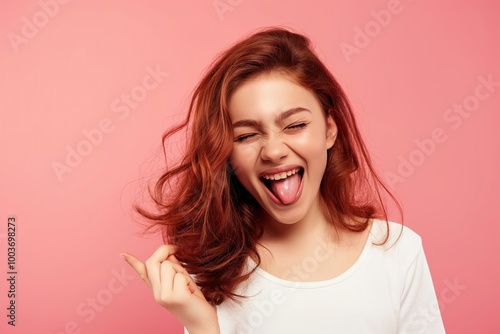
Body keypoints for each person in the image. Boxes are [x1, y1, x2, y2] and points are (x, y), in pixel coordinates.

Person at [120, 27, 446, 334]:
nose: (273, 151)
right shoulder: (207, 279)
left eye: (294, 126)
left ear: (329, 129)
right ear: (227, 154)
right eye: (247, 135)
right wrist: (202, 326)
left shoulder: (398, 252)